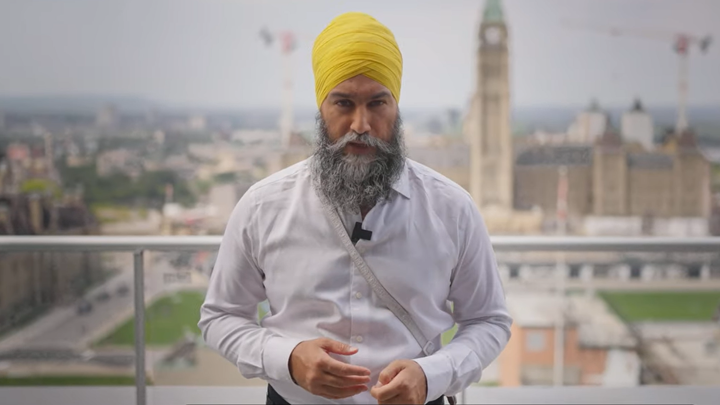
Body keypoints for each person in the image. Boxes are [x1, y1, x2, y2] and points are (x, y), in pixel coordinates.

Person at [199, 11, 512, 405]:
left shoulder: (452, 209)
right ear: (321, 108)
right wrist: (289, 359)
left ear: (396, 107)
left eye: (377, 103)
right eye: (343, 103)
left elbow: (489, 320)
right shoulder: (263, 207)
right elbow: (220, 317)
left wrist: (433, 375)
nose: (361, 124)